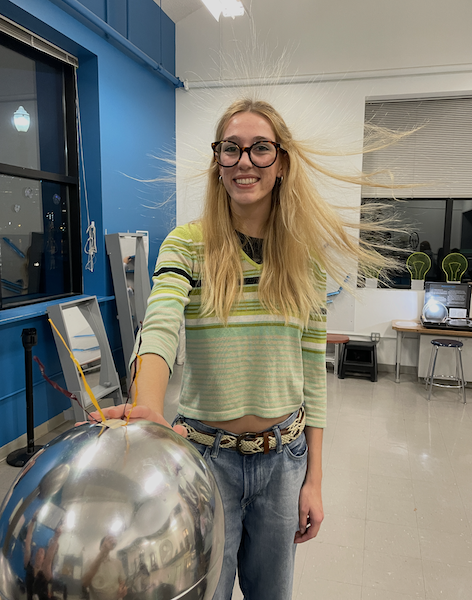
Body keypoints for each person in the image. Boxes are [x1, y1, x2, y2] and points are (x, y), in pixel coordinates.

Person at [95, 98, 393, 600]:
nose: (244, 162)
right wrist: (147, 405)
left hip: (284, 462)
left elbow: (312, 378)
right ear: (218, 162)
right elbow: (161, 325)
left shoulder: (304, 258)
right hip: (206, 461)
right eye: (230, 149)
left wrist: (314, 481)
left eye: (260, 149)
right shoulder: (186, 245)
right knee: (204, 591)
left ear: (281, 163)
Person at [82, 536, 127, 600]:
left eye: (110, 544)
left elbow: (122, 581)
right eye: (105, 544)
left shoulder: (117, 563)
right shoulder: (90, 562)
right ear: (100, 547)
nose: (108, 546)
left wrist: (123, 588)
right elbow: (84, 583)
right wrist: (103, 551)